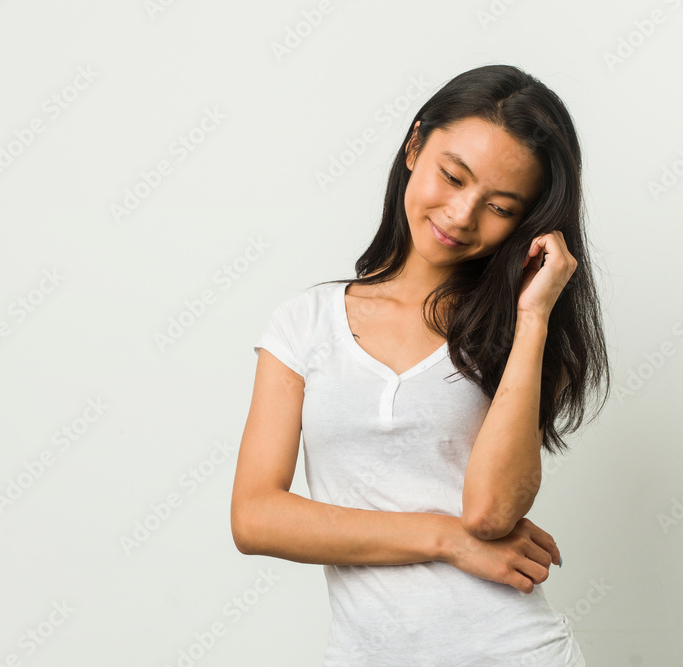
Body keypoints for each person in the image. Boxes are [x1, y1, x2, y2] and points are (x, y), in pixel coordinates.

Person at [231, 63, 610, 666]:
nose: (462, 215)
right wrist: (444, 539)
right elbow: (255, 517)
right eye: (452, 176)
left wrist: (535, 316)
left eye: (502, 206)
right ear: (414, 146)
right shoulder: (304, 324)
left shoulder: (514, 331)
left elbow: (489, 514)